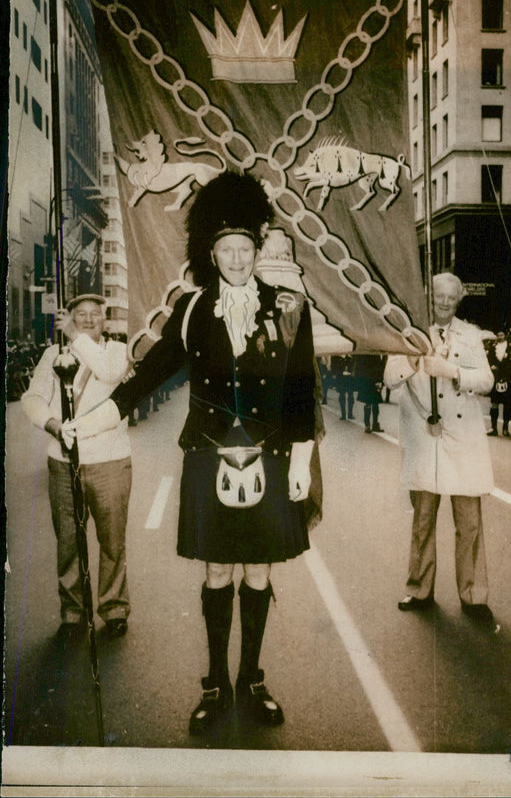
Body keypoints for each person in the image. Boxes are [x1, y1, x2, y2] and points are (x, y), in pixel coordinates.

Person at [64, 172, 317, 733]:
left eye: (244, 248)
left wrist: (300, 463)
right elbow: (148, 376)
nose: (235, 258)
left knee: (257, 570)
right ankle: (214, 684)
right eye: (225, 249)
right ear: (212, 253)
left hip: (270, 456)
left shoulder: (288, 306)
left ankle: (252, 678)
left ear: (257, 247)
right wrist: (89, 421)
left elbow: (302, 390)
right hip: (208, 453)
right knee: (218, 569)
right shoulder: (193, 308)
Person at [384, 273, 496, 624]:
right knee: (422, 521)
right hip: (424, 437)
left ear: (460, 298)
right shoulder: (407, 330)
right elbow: (388, 379)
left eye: (451, 297)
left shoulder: (471, 335)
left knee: (469, 523)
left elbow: (487, 381)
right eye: (438, 296)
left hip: (462, 440)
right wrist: (415, 360)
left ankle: (474, 595)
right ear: (428, 295)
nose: (444, 302)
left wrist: (451, 370)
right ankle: (419, 588)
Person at [21, 294, 133, 642]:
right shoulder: (52, 355)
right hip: (63, 459)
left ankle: (113, 608)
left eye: (94, 315)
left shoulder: (116, 352)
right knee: (68, 541)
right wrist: (52, 423)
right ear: (70, 317)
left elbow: (108, 372)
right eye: (79, 315)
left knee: (112, 541)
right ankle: (72, 613)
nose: (87, 320)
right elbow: (32, 397)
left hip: (109, 460)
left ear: (106, 321)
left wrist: (73, 335)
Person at [486, 328, 511, 437]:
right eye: (498, 335)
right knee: (494, 402)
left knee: (508, 403)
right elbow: (487, 360)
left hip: (509, 377)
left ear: (505, 335)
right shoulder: (492, 347)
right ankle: (493, 428)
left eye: (501, 335)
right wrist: (491, 366)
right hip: (496, 377)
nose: (499, 337)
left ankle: (505, 428)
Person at [354, 353, 385, 433]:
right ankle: (368, 425)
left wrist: (380, 380)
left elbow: (380, 366)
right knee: (370, 403)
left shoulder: (372, 351)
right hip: (368, 380)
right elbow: (362, 366)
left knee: (374, 403)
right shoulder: (370, 352)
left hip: (370, 380)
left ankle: (373, 424)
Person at [330, 353, 356, 420]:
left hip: (350, 378)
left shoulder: (350, 356)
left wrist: (351, 372)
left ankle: (350, 414)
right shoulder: (335, 356)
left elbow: (354, 366)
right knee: (342, 395)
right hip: (341, 378)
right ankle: (343, 414)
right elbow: (333, 367)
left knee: (351, 395)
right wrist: (340, 372)